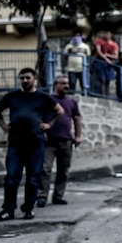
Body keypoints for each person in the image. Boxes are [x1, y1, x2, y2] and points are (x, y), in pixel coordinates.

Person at [0, 68, 64, 222]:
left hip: (35, 143)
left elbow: (59, 111)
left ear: (35, 79)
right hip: (16, 144)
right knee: (11, 177)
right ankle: (8, 209)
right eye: (22, 78)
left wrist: (49, 124)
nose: (25, 81)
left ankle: (28, 208)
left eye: (28, 78)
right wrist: (4, 126)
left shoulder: (42, 97)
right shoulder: (12, 96)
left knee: (33, 177)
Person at [37, 76, 82, 207]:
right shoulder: (47, 100)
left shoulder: (72, 102)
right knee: (45, 169)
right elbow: (38, 117)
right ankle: (42, 196)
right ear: (56, 85)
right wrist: (42, 131)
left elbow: (77, 119)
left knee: (63, 170)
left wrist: (78, 136)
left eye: (67, 83)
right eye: (63, 83)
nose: (66, 86)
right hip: (49, 141)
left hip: (66, 140)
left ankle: (58, 195)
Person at [93, 30, 119, 96]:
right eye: (105, 33)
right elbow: (99, 52)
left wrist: (107, 55)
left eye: (107, 33)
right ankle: (103, 95)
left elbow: (116, 56)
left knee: (108, 81)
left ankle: (107, 95)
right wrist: (106, 59)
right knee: (102, 80)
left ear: (110, 34)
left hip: (109, 64)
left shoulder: (114, 44)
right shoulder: (99, 41)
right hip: (100, 62)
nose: (106, 34)